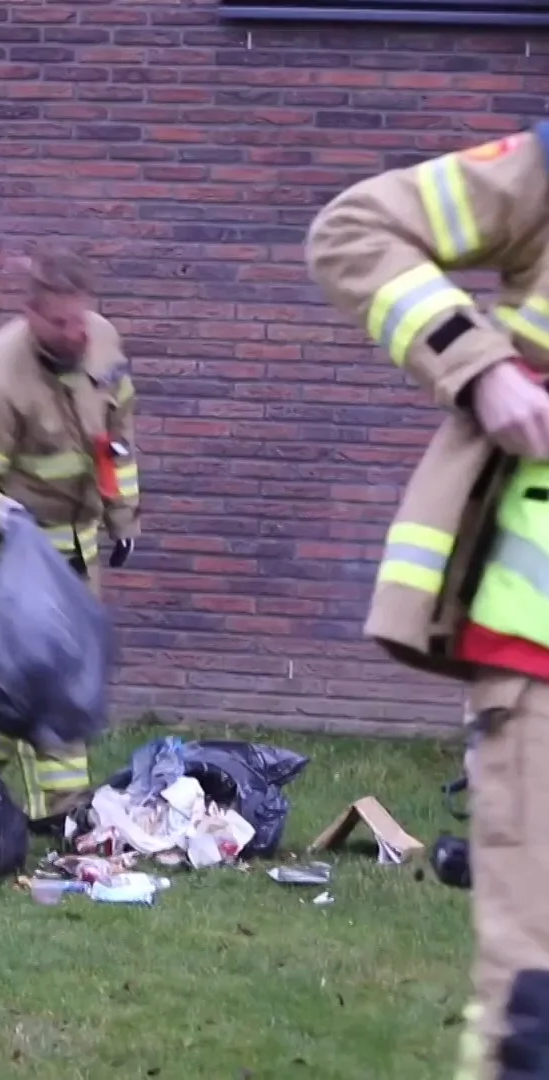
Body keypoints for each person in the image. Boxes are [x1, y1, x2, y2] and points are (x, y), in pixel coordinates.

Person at [304, 124, 549, 1080]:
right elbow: (355, 229)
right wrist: (482, 368)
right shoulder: (540, 173)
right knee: (536, 1009)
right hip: (537, 667)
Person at [0, 250, 141, 828]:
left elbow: (115, 440)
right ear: (30, 314)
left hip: (77, 537)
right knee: (44, 667)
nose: (75, 333)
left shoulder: (101, 342)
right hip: (12, 544)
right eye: (59, 323)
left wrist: (123, 516)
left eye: (81, 318)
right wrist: (4, 519)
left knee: (64, 671)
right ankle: (62, 808)